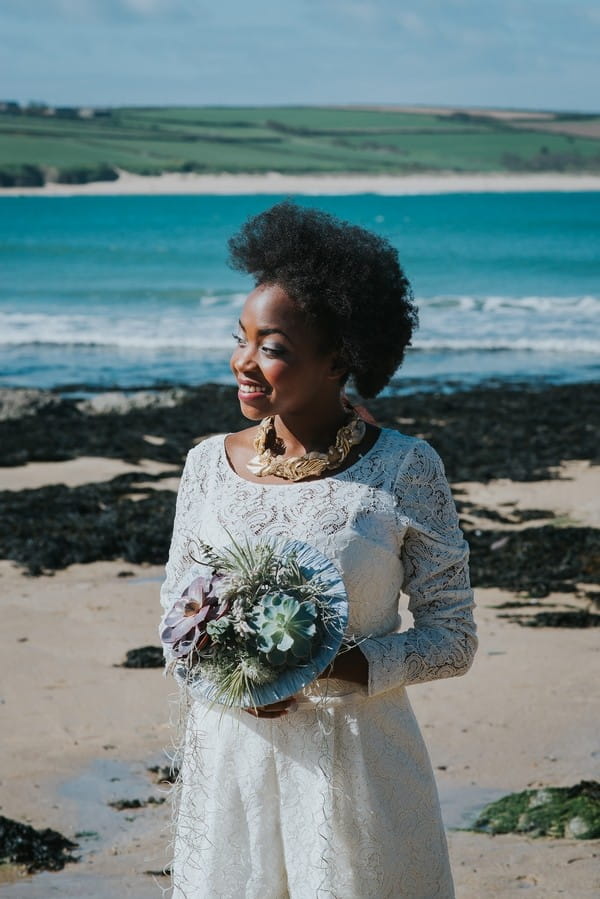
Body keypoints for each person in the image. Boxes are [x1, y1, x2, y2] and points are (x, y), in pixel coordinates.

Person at [159, 201, 477, 898]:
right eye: (241, 336)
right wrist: (227, 677)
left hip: (358, 770)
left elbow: (453, 638)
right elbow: (175, 620)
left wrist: (343, 668)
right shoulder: (206, 465)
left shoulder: (404, 468)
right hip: (232, 769)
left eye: (272, 347)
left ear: (340, 359)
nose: (244, 361)